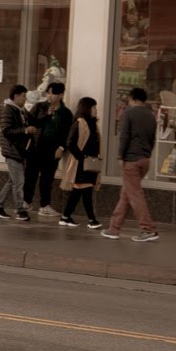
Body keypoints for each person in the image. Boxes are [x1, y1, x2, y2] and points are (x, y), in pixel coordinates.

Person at [104, 86, 158, 241]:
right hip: (145, 159)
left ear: (132, 98)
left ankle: (148, 229)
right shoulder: (150, 115)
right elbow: (152, 138)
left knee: (134, 195)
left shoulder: (128, 113)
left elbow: (124, 136)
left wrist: (121, 156)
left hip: (132, 160)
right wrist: (147, 153)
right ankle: (114, 229)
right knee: (127, 194)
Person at [24, 80, 71, 217]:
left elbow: (68, 134)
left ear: (61, 95)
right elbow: (30, 123)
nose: (49, 96)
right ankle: (26, 202)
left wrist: (62, 148)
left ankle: (45, 206)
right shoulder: (39, 107)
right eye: (48, 93)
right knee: (30, 176)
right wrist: (46, 116)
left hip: (52, 149)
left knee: (47, 179)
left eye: (53, 94)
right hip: (36, 146)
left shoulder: (66, 113)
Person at [0, 84, 34, 222]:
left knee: (13, 181)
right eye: (23, 96)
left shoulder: (20, 110)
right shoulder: (8, 110)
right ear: (15, 96)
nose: (25, 99)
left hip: (20, 150)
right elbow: (6, 131)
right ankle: (20, 210)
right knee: (19, 182)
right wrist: (25, 130)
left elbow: (32, 121)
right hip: (12, 150)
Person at [57, 97, 102, 229]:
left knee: (77, 192)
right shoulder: (79, 123)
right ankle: (92, 220)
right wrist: (81, 157)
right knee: (86, 191)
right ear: (87, 109)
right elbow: (70, 143)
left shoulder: (93, 124)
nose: (96, 110)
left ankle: (65, 216)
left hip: (90, 163)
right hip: (81, 164)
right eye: (94, 108)